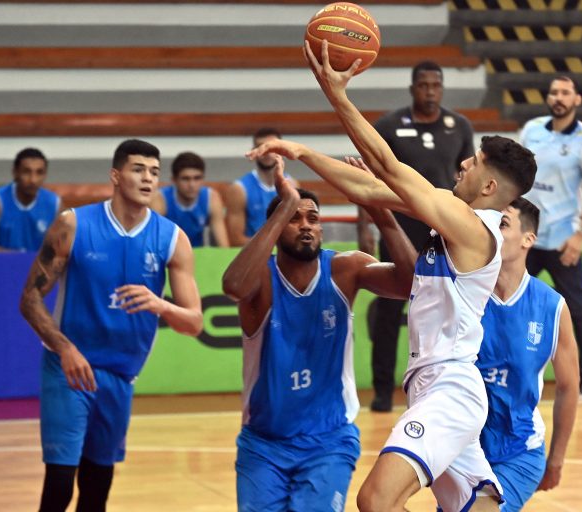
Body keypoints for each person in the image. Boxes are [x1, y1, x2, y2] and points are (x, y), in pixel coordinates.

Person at [251, 40, 537, 512]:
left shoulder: (473, 226)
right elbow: (369, 186)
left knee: (376, 500)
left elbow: (387, 166)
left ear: (489, 186)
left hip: (450, 387)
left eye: (473, 163)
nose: (462, 163)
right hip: (437, 385)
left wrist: (337, 94)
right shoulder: (454, 215)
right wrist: (303, 153)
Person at [19, 139, 203, 512]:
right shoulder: (73, 224)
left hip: (120, 375)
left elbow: (194, 323)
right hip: (70, 369)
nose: (148, 178)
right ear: (116, 176)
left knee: (96, 489)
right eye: (138, 169)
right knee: (59, 484)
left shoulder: (172, 238)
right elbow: (30, 299)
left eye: (154, 172)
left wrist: (160, 304)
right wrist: (65, 348)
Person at [222, 159, 417, 511]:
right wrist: (283, 207)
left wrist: (378, 208)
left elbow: (411, 284)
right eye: (294, 218)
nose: (306, 225)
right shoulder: (260, 280)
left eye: (313, 218)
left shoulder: (345, 269)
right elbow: (233, 286)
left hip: (328, 441)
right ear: (275, 226)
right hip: (264, 444)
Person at [356, 60, 475, 412]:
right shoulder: (390, 125)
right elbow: (369, 178)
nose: (430, 91)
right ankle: (382, 390)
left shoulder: (459, 126)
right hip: (399, 231)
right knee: (389, 311)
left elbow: (468, 178)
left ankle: (445, 385)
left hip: (443, 233)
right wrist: (365, 223)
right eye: (423, 85)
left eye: (436, 85)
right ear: (412, 89)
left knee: (449, 310)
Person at [476, 198, 579, 511]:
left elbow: (568, 387)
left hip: (519, 450)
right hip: (462, 449)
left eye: (503, 224)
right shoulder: (465, 293)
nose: (492, 230)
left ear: (527, 239)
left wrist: (556, 459)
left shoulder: (552, 306)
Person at [520, 75, 582, 399]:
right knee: (506, 299)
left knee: (579, 307)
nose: (558, 97)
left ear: (577, 99)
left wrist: (580, 236)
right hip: (527, 235)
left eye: (566, 92)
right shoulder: (532, 129)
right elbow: (516, 175)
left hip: (562, 238)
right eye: (554, 92)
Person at [0, 147, 61, 252]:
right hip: (2, 262)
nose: (33, 179)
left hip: (39, 263)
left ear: (45, 174)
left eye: (39, 172)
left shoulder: (55, 203)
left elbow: (65, 249)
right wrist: (19, 258)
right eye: (26, 172)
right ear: (15, 172)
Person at [224, 128, 298, 246]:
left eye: (272, 147)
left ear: (282, 151)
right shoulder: (239, 189)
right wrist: (270, 249)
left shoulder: (293, 185)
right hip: (254, 253)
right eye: (261, 146)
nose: (267, 151)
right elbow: (236, 240)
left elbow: (297, 230)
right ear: (253, 151)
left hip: (284, 252)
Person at [151, 151, 230, 247]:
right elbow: (153, 241)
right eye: (185, 179)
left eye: (197, 178)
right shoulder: (160, 199)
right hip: (169, 252)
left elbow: (223, 245)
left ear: (203, 179)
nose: (192, 185)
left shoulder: (211, 197)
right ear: (174, 180)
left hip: (197, 252)